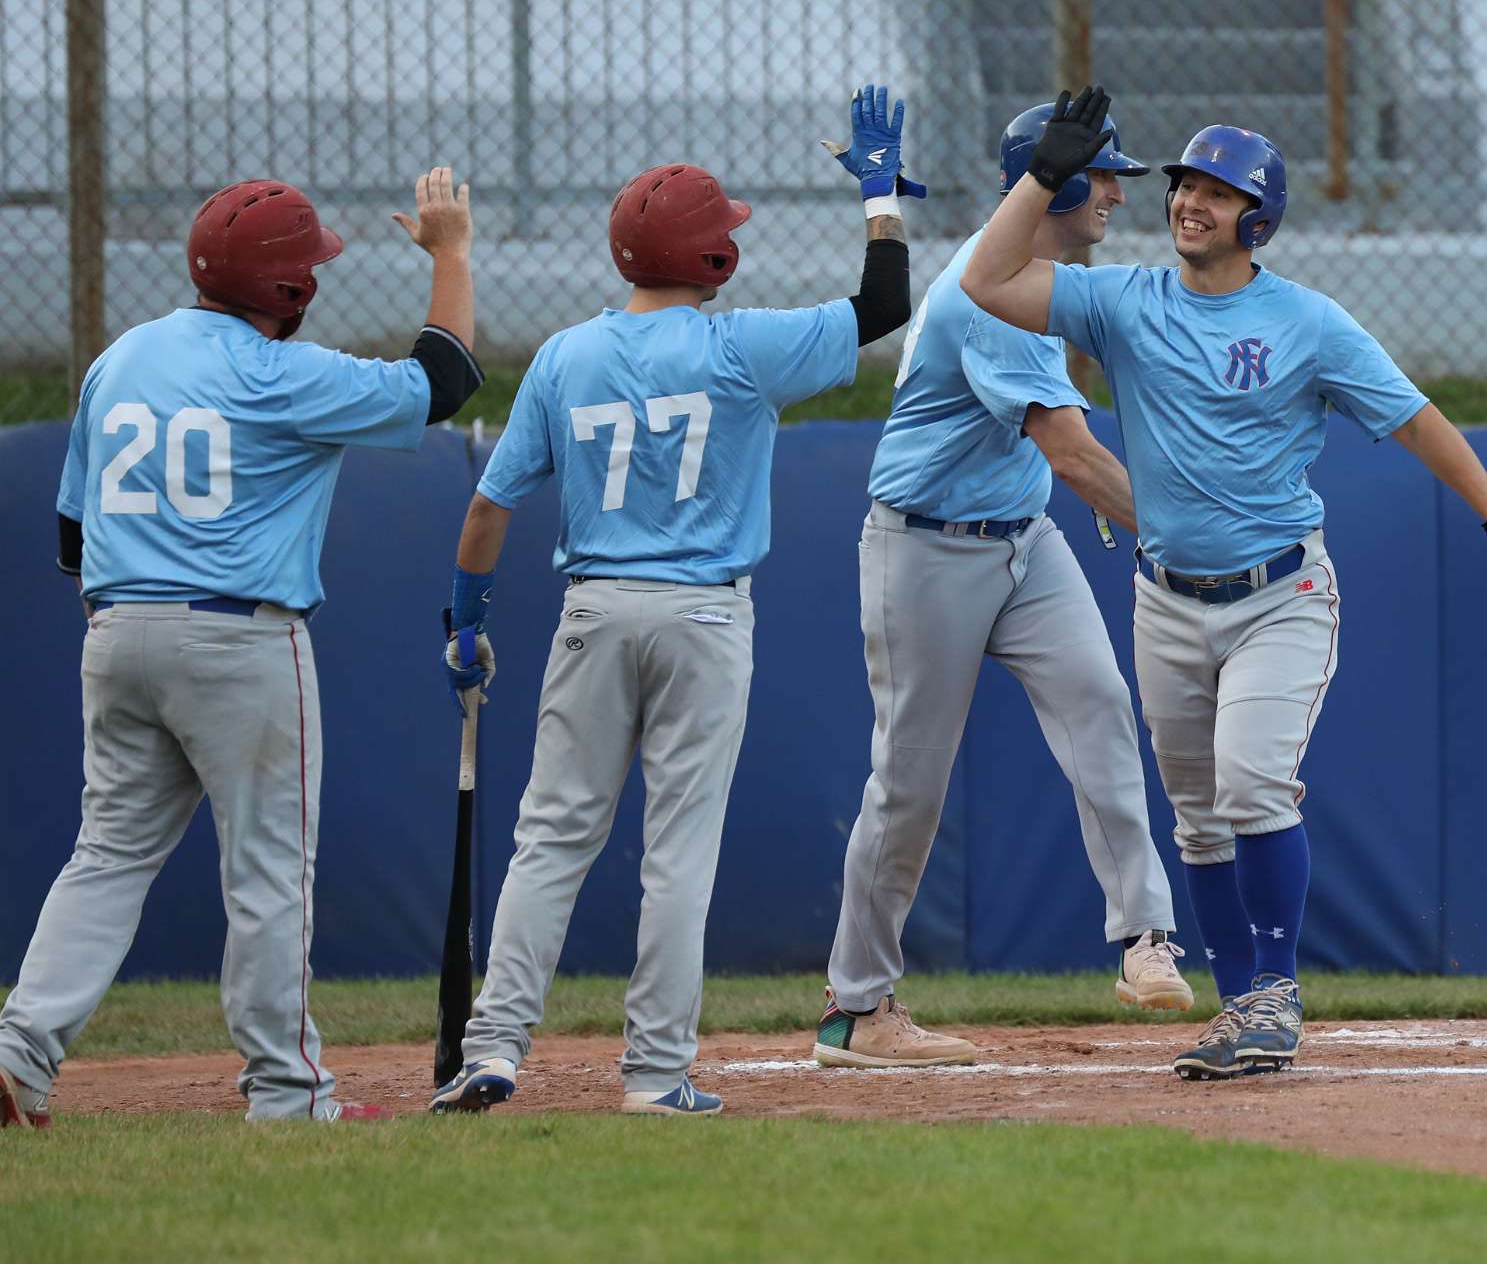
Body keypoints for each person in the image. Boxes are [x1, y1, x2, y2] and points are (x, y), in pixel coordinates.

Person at [960, 89, 1487, 1081]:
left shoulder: (1307, 322)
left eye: (1216, 190)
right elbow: (985, 280)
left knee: (1249, 784)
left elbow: (1415, 419)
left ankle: (1275, 990)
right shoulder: (1123, 301)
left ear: (1258, 217)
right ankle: (1239, 1007)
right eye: (1184, 184)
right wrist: (1042, 177)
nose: (1189, 201)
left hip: (1279, 596)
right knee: (1197, 816)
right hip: (1165, 599)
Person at [428, 86, 916, 1118]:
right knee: (677, 854)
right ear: (713, 258)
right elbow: (882, 306)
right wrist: (879, 196)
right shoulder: (741, 347)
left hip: (593, 612)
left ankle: (493, 1047)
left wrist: (467, 620)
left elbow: (486, 507)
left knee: (550, 838)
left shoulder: (565, 354)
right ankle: (653, 1073)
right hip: (702, 617)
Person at [0, 169, 483, 1127]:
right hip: (239, 639)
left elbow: (71, 539)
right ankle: (289, 1094)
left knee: (105, 859)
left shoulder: (120, 359)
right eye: (309, 270)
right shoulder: (284, 375)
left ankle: (16, 1058)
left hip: (117, 631)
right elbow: (445, 381)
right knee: (267, 876)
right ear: (288, 289)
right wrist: (452, 253)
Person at [812, 104, 1192, 1070]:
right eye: (1102, 176)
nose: (1117, 195)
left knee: (1101, 703)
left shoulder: (1039, 276)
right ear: (1051, 184)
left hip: (1022, 539)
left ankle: (1144, 936)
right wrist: (1196, 535)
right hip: (925, 549)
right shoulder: (985, 293)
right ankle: (857, 1008)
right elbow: (1072, 453)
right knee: (910, 785)